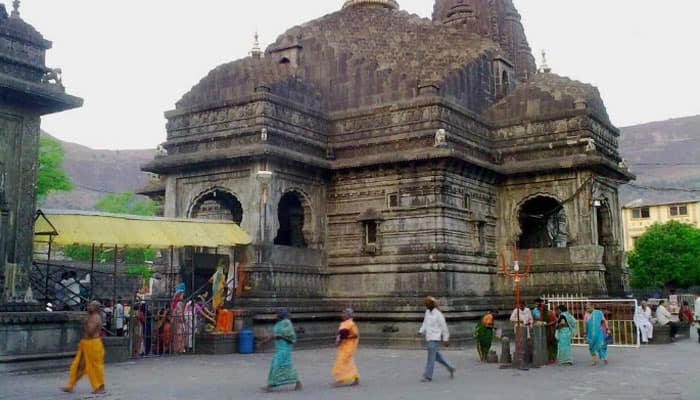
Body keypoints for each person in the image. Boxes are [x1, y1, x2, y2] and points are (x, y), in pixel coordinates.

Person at [61, 301, 106, 394]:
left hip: (93, 344)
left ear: (95, 308)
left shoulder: (96, 318)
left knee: (95, 367)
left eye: (90, 306)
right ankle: (71, 385)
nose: (88, 307)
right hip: (85, 344)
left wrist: (84, 322)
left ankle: (100, 386)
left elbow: (90, 332)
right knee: (78, 366)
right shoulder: (90, 316)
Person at [260, 308, 302, 392]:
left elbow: (283, 334)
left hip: (285, 348)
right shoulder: (279, 323)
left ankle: (270, 385)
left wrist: (265, 341)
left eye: (277, 314)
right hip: (279, 348)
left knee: (277, 364)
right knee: (285, 365)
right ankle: (297, 382)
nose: (276, 315)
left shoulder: (286, 322)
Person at [418, 296, 455, 382]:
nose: (426, 306)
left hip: (435, 337)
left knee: (431, 357)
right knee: (436, 356)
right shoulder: (427, 312)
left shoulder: (438, 314)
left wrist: (446, 338)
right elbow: (425, 323)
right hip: (429, 336)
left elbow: (444, 327)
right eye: (425, 304)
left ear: (432, 304)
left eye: (427, 304)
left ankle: (428, 376)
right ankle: (450, 368)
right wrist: (420, 331)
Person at [331, 308, 360, 387]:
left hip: (349, 346)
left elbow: (355, 335)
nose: (342, 315)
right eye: (342, 313)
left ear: (349, 315)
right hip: (344, 345)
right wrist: (339, 339)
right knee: (347, 361)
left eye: (344, 313)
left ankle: (340, 379)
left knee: (342, 361)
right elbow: (341, 334)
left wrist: (344, 338)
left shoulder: (350, 324)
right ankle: (355, 378)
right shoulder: (344, 323)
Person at [535, 298, 558, 363]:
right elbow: (540, 320)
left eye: (541, 309)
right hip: (544, 331)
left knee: (552, 344)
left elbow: (555, 321)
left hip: (551, 331)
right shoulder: (541, 314)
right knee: (547, 344)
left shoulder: (550, 313)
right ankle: (549, 357)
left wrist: (547, 324)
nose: (541, 310)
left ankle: (553, 357)